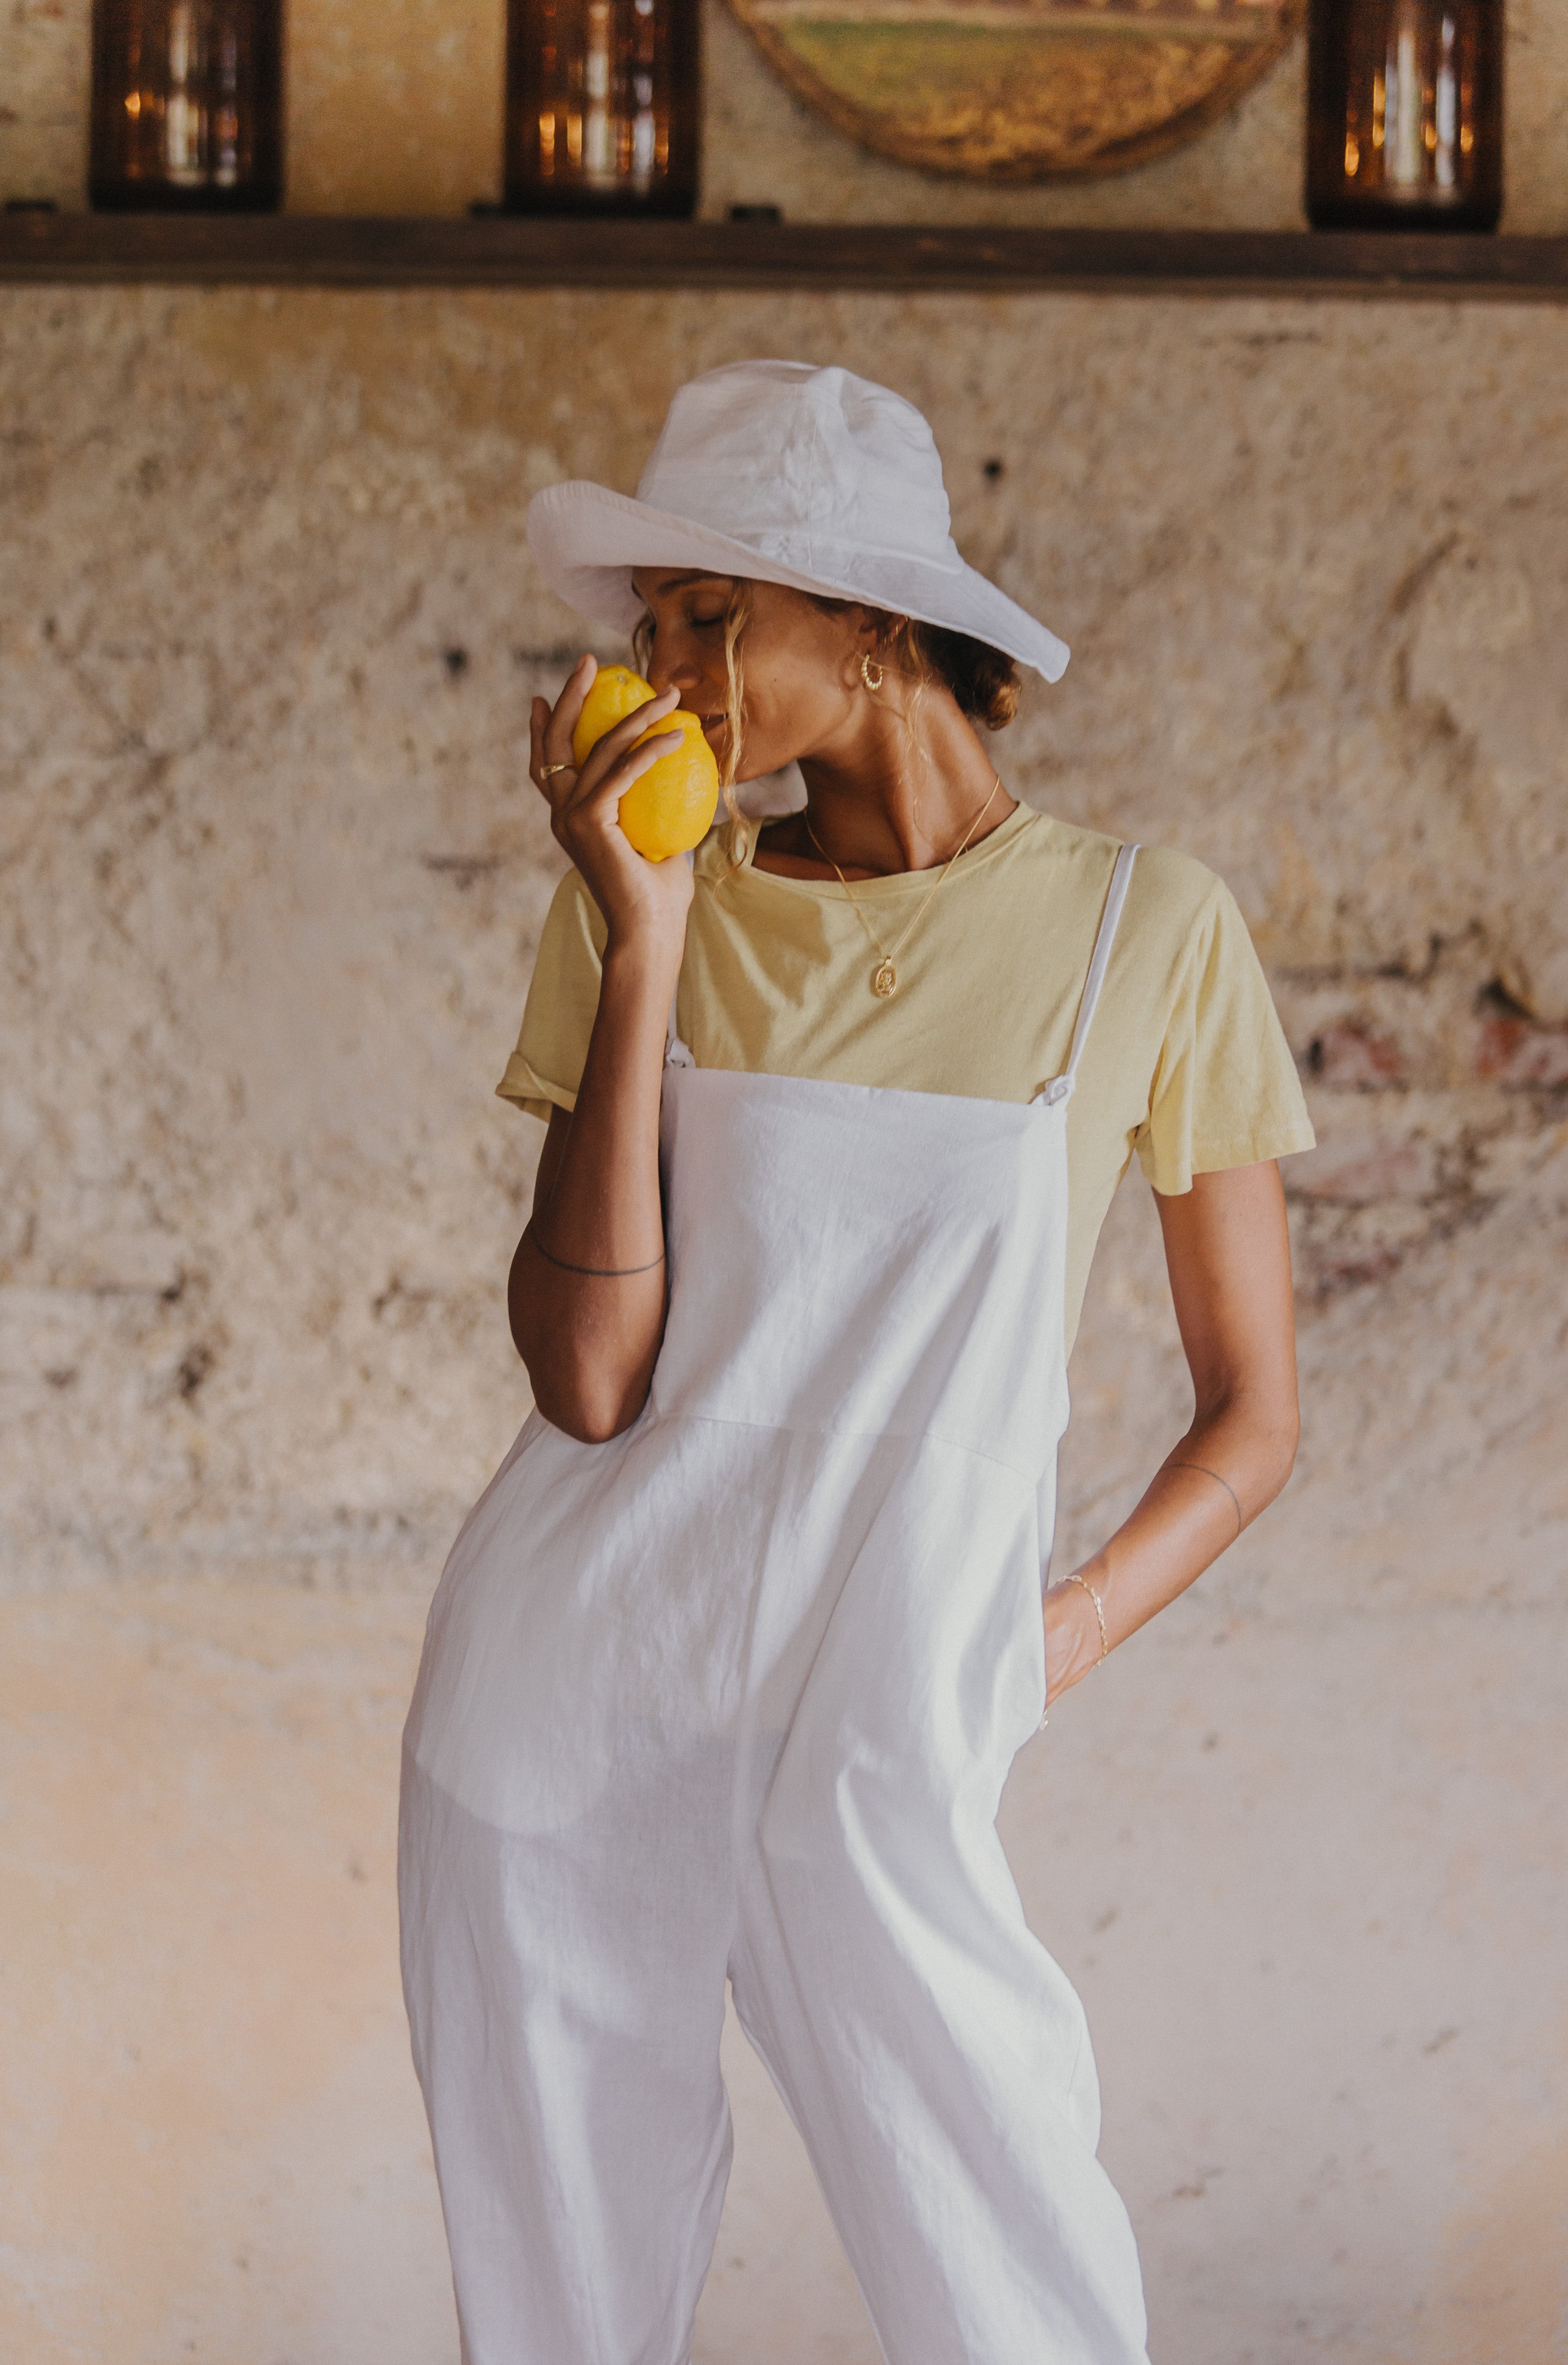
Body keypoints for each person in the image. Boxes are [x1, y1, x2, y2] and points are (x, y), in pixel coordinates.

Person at [398, 360, 1314, 2365]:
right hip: (572, 1691)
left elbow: (1255, 1411)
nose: (663, 670)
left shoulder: (1143, 932)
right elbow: (588, 1377)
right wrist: (644, 932)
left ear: (877, 621)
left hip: (882, 1718)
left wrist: (1043, 1639)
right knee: (558, 2321)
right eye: (652, 623)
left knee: (1017, 2292)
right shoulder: (645, 898)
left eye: (709, 615)